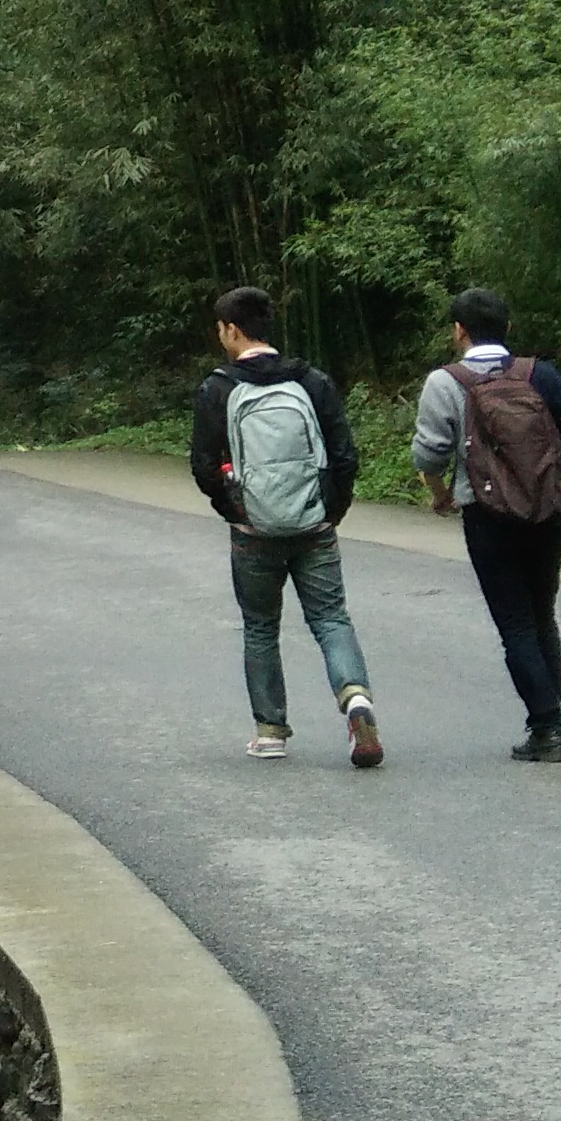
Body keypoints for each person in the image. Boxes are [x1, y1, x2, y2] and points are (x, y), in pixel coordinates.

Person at [412, 287, 561, 762]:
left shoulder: (445, 382)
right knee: (542, 612)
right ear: (509, 329)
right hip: (547, 511)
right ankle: (549, 707)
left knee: (515, 622)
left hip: (486, 514)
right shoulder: (542, 375)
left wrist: (439, 495)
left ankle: (548, 726)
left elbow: (429, 454)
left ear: (459, 331)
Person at [192, 285, 383, 765]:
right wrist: (330, 511)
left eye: (220, 330)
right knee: (331, 619)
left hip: (253, 533)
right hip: (315, 527)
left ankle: (271, 730)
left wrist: (237, 511)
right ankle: (355, 697)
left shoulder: (218, 388)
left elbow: (203, 466)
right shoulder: (312, 381)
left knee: (260, 627)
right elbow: (344, 455)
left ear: (232, 330)